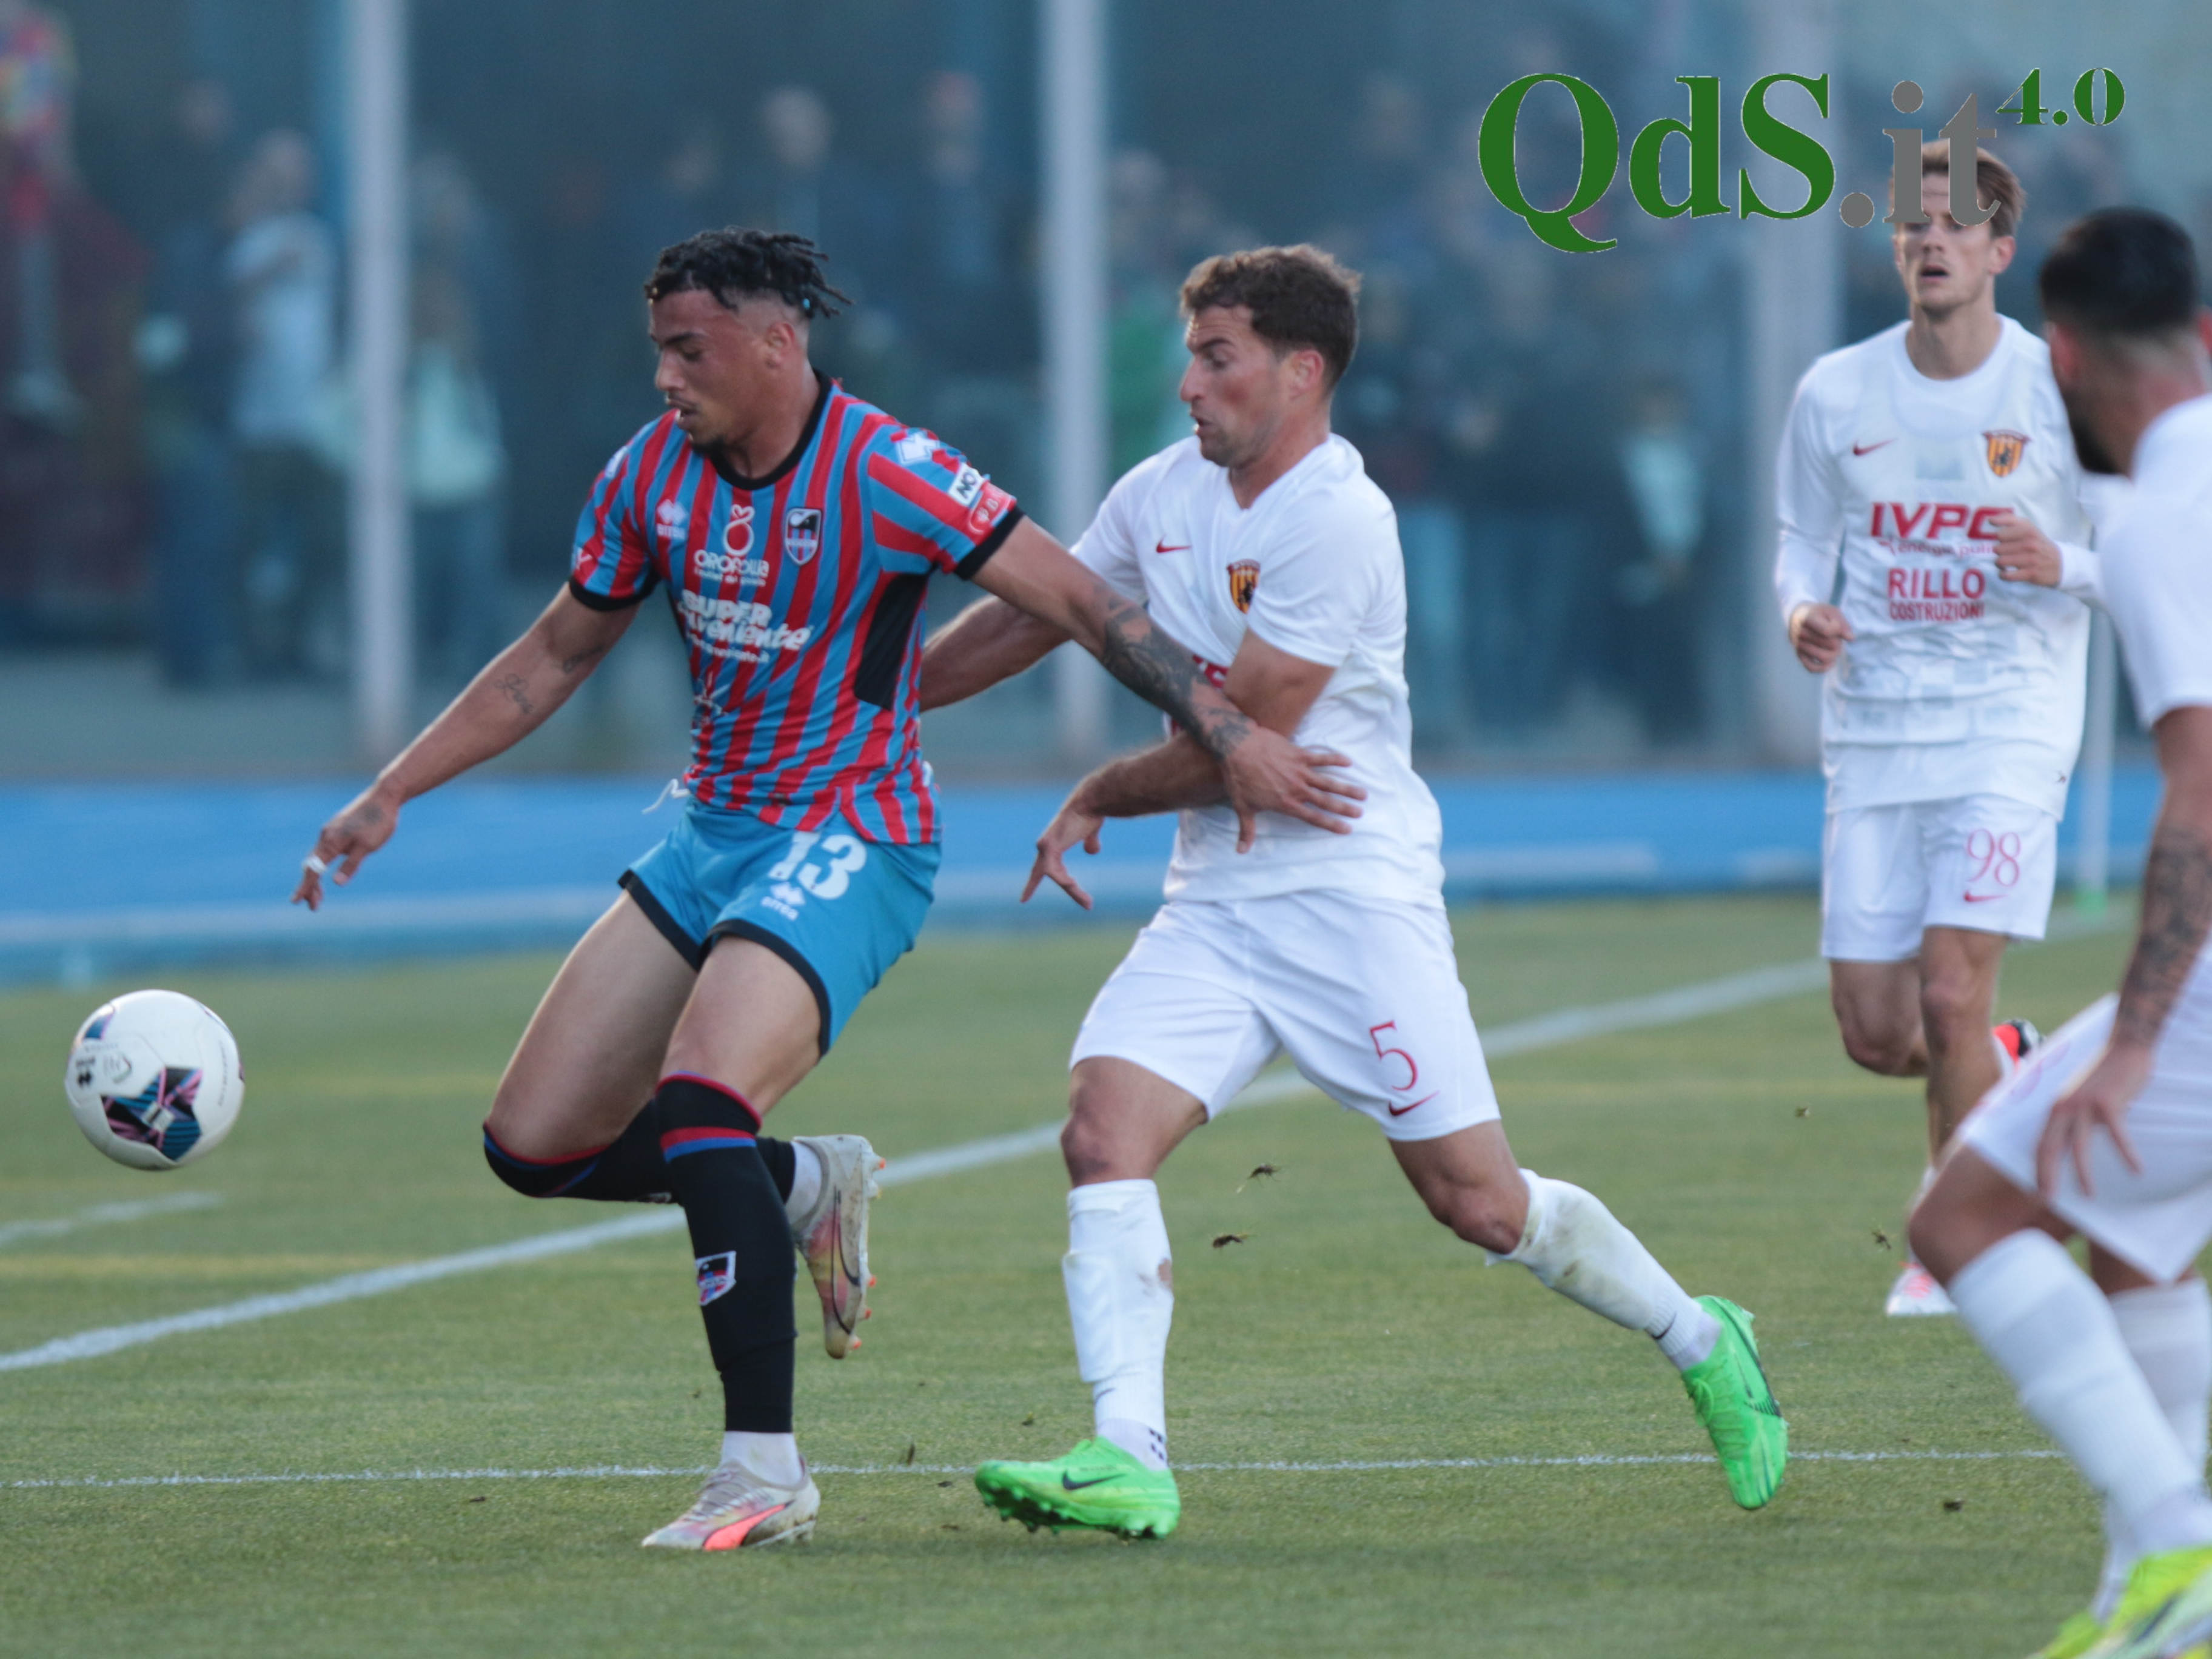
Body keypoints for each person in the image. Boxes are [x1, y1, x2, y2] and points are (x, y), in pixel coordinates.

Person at [290, 228, 1350, 1553]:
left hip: (857, 831)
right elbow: (553, 654)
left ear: (777, 342)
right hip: (711, 837)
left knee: (699, 1100)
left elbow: (1084, 604)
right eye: (660, 352)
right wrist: (394, 789)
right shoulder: (647, 475)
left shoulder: (890, 468)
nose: (667, 377)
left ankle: (764, 1474)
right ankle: (799, 1185)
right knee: (534, 1147)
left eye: (691, 351)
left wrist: (1226, 731)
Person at [919, 245, 1787, 1540]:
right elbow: (1044, 609)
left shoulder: (1341, 517)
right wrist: (884, 699)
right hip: (1217, 904)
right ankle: (1128, 1453)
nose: (1188, 384)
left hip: (1350, 895)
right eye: (1191, 356)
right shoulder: (1159, 491)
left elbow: (1251, 735)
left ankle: (1701, 1335)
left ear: (1301, 371)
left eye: (1217, 358)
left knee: (1480, 1205)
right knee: (1103, 1134)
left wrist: (1102, 788)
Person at [1909, 207, 2212, 1659]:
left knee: (1961, 1219)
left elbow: (2201, 791)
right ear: (2202, 334)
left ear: (2069, 358)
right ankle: (2148, 1598)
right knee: (2133, 1239)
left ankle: (2178, 1548)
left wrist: (2134, 1044)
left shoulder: (2157, 515)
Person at [1774, 143, 2104, 1316]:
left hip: (2010, 721)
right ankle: (2011, 1066)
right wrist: (1802, 612)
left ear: (2000, 251)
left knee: (1954, 992)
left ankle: (1958, 1242)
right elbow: (1801, 539)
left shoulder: (2061, 391)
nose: (1929, 240)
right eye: (1913, 224)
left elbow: (2151, 551)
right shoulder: (1836, 392)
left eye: (1954, 225)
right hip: (1874, 731)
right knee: (1881, 1031)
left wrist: (2062, 563)